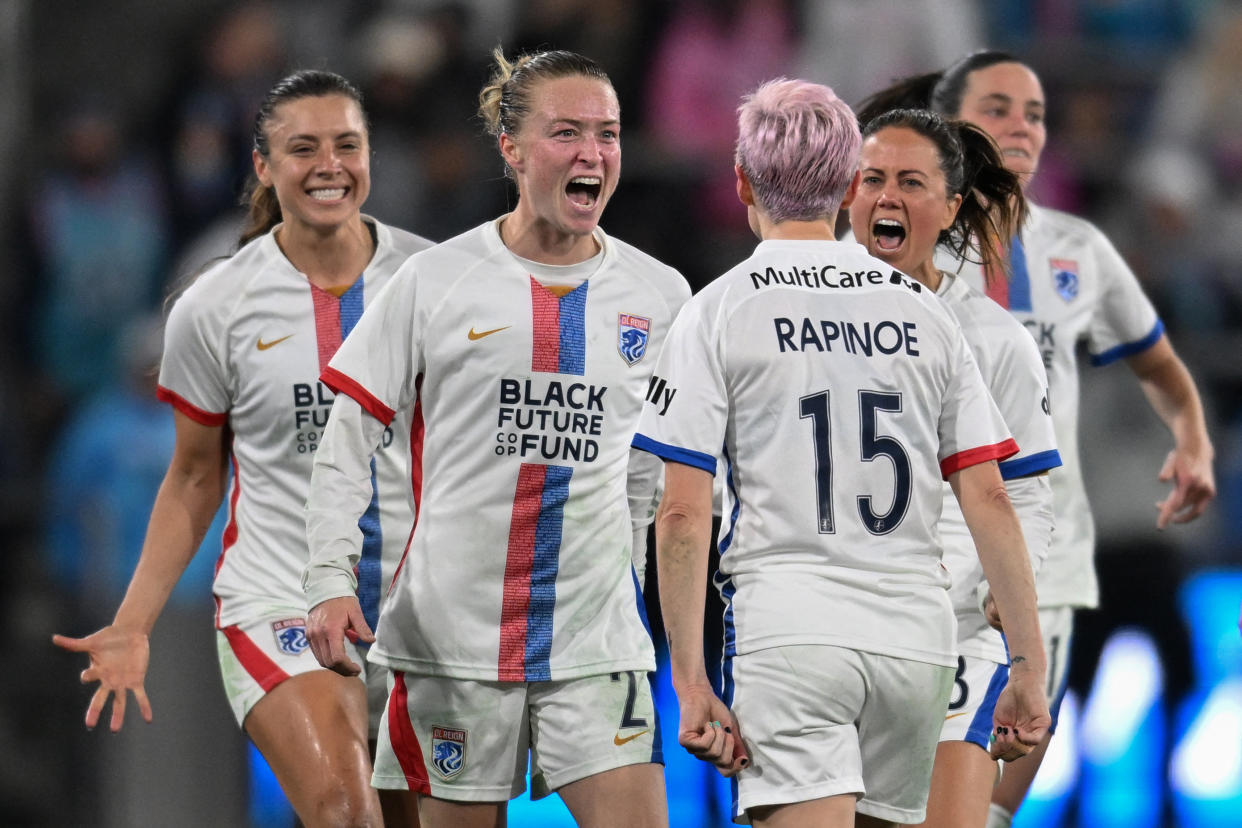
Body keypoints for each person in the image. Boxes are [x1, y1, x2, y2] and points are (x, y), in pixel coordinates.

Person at [633, 77, 1049, 828]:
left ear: (740, 181)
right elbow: (989, 496)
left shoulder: (719, 309)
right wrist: (1029, 663)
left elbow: (685, 513)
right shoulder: (928, 315)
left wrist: (690, 681)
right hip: (915, 647)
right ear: (854, 183)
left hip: (793, 636)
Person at [302, 49, 689, 828]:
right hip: (453, 644)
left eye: (608, 134)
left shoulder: (662, 294)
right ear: (511, 149)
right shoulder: (435, 282)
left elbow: (653, 475)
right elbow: (349, 434)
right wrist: (327, 579)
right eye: (566, 132)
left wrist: (639, 589)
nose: (593, 153)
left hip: (595, 645)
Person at [53, 69, 433, 828]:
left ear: (370, 156)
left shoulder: (437, 282)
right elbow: (194, 479)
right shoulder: (214, 305)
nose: (329, 165)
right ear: (263, 166)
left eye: (346, 145)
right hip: (277, 598)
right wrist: (133, 623)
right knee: (342, 808)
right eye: (303, 148)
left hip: (416, 611)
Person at [892, 51, 1216, 828]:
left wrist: (1195, 439)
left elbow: (1162, 364)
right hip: (926, 561)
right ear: (953, 120)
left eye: (1034, 113)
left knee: (987, 809)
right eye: (998, 108)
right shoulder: (900, 241)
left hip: (1052, 566)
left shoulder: (1081, 251)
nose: (1020, 127)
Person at [847, 107, 1060, 828]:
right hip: (829, 628)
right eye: (872, 178)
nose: (888, 197)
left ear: (952, 206)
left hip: (952, 631)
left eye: (912, 181)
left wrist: (1015, 591)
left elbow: (1024, 492)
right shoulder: (795, 318)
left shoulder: (994, 341)